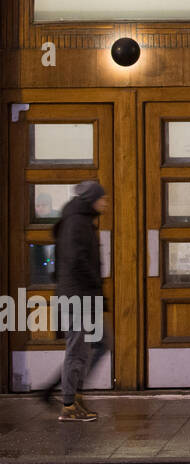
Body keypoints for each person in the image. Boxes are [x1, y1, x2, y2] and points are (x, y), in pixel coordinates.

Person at [45, 180, 110, 422]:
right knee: (77, 350)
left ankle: (76, 396)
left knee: (101, 343)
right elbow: (76, 261)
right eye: (102, 198)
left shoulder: (81, 221)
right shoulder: (76, 223)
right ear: (91, 199)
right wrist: (93, 287)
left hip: (84, 295)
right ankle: (69, 405)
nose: (105, 202)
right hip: (78, 297)